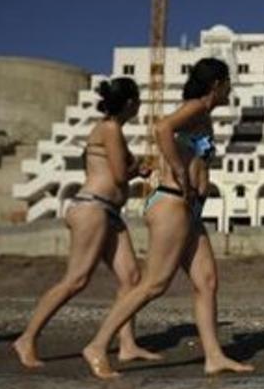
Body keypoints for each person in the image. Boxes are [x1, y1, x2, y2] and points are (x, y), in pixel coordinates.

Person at [81, 58, 253, 378]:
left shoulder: (203, 114)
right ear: (216, 85)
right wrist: (176, 169)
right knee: (154, 284)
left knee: (207, 281)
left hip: (189, 210)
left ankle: (214, 357)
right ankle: (97, 344)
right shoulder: (196, 108)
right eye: (228, 82)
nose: (231, 89)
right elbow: (162, 128)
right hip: (172, 204)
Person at [13, 78, 160, 368]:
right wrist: (136, 167)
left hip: (108, 211)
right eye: (138, 100)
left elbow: (112, 167)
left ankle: (127, 345)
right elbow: (119, 175)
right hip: (93, 208)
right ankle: (26, 338)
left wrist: (136, 167)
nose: (140, 105)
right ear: (130, 103)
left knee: (131, 278)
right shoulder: (109, 129)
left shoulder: (111, 130)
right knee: (76, 280)